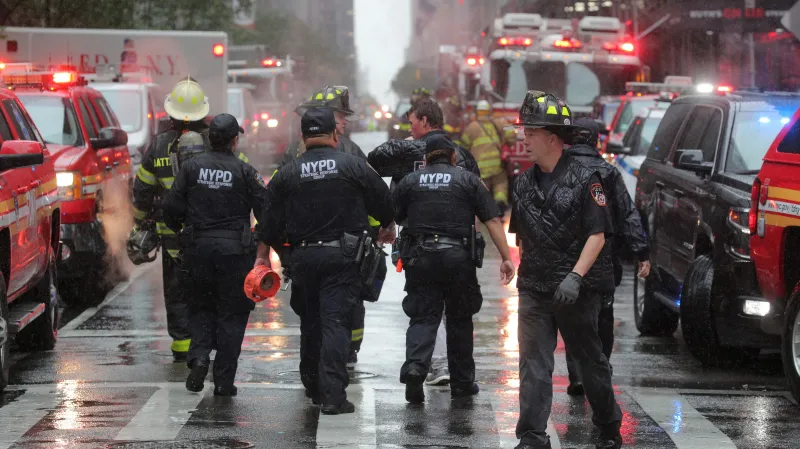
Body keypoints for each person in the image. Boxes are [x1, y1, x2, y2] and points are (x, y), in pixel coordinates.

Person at [256, 107, 395, 415]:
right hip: (343, 259)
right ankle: (333, 396)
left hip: (304, 259)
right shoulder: (354, 166)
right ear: (335, 134)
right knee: (335, 323)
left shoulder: (289, 173)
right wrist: (387, 224)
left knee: (311, 322)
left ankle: (313, 387)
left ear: (303, 137)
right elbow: (385, 201)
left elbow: (267, 221)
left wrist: (262, 258)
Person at [508, 91, 622, 449]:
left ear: (553, 138)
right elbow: (522, 237)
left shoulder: (587, 178)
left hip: (575, 292)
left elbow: (598, 234)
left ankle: (607, 425)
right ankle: (532, 435)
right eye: (524, 129)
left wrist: (575, 276)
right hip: (535, 289)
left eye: (531, 131)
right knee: (533, 364)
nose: (524, 137)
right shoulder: (523, 183)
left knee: (589, 363)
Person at [393, 133, 515, 404]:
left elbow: (396, 216)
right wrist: (507, 257)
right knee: (459, 319)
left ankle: (415, 368)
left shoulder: (410, 181)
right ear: (454, 157)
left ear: (426, 158)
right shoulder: (469, 180)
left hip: (420, 258)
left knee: (423, 317)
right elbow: (493, 220)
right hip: (458, 258)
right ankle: (462, 382)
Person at [367, 98, 482, 386]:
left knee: (427, 308)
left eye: (412, 122)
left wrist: (389, 226)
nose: (410, 127)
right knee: (452, 311)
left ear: (425, 122)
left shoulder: (408, 153)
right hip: (458, 245)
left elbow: (377, 161)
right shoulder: (463, 155)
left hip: (419, 243)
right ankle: (451, 371)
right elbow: (477, 199)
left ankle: (435, 364)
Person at [275, 85, 386, 369]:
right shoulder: (351, 153)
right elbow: (374, 198)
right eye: (341, 114)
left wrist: (279, 245)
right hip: (347, 251)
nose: (346, 121)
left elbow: (274, 201)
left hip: (304, 250)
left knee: (311, 314)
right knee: (347, 307)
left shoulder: (293, 155)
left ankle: (316, 373)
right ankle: (346, 356)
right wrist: (375, 234)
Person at [161, 113, 268, 396]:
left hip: (198, 251)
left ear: (210, 139)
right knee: (233, 314)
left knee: (200, 307)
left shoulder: (191, 168)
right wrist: (257, 241)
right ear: (235, 140)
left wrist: (182, 230)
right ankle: (223, 381)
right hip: (235, 254)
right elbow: (267, 212)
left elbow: (170, 207)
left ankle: (198, 358)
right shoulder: (246, 172)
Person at [563, 118, 652, 396]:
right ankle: (600, 368)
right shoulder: (609, 173)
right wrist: (641, 252)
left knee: (572, 316)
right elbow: (627, 214)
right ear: (596, 141)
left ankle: (577, 375)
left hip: (566, 257)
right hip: (603, 258)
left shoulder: (557, 169)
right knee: (603, 314)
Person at [132, 78, 212, 362]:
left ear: (170, 113)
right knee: (208, 287)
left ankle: (182, 345)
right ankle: (207, 340)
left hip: (173, 236)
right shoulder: (215, 141)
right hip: (210, 235)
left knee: (177, 289)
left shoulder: (159, 145)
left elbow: (142, 190)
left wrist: (140, 223)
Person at [460, 100, 516, 211]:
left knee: (483, 189)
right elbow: (511, 132)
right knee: (500, 183)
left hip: (480, 167)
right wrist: (508, 142)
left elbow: (463, 146)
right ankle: (500, 203)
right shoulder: (497, 122)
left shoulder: (472, 127)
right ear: (489, 112)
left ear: (477, 112)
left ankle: (484, 209)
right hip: (497, 164)